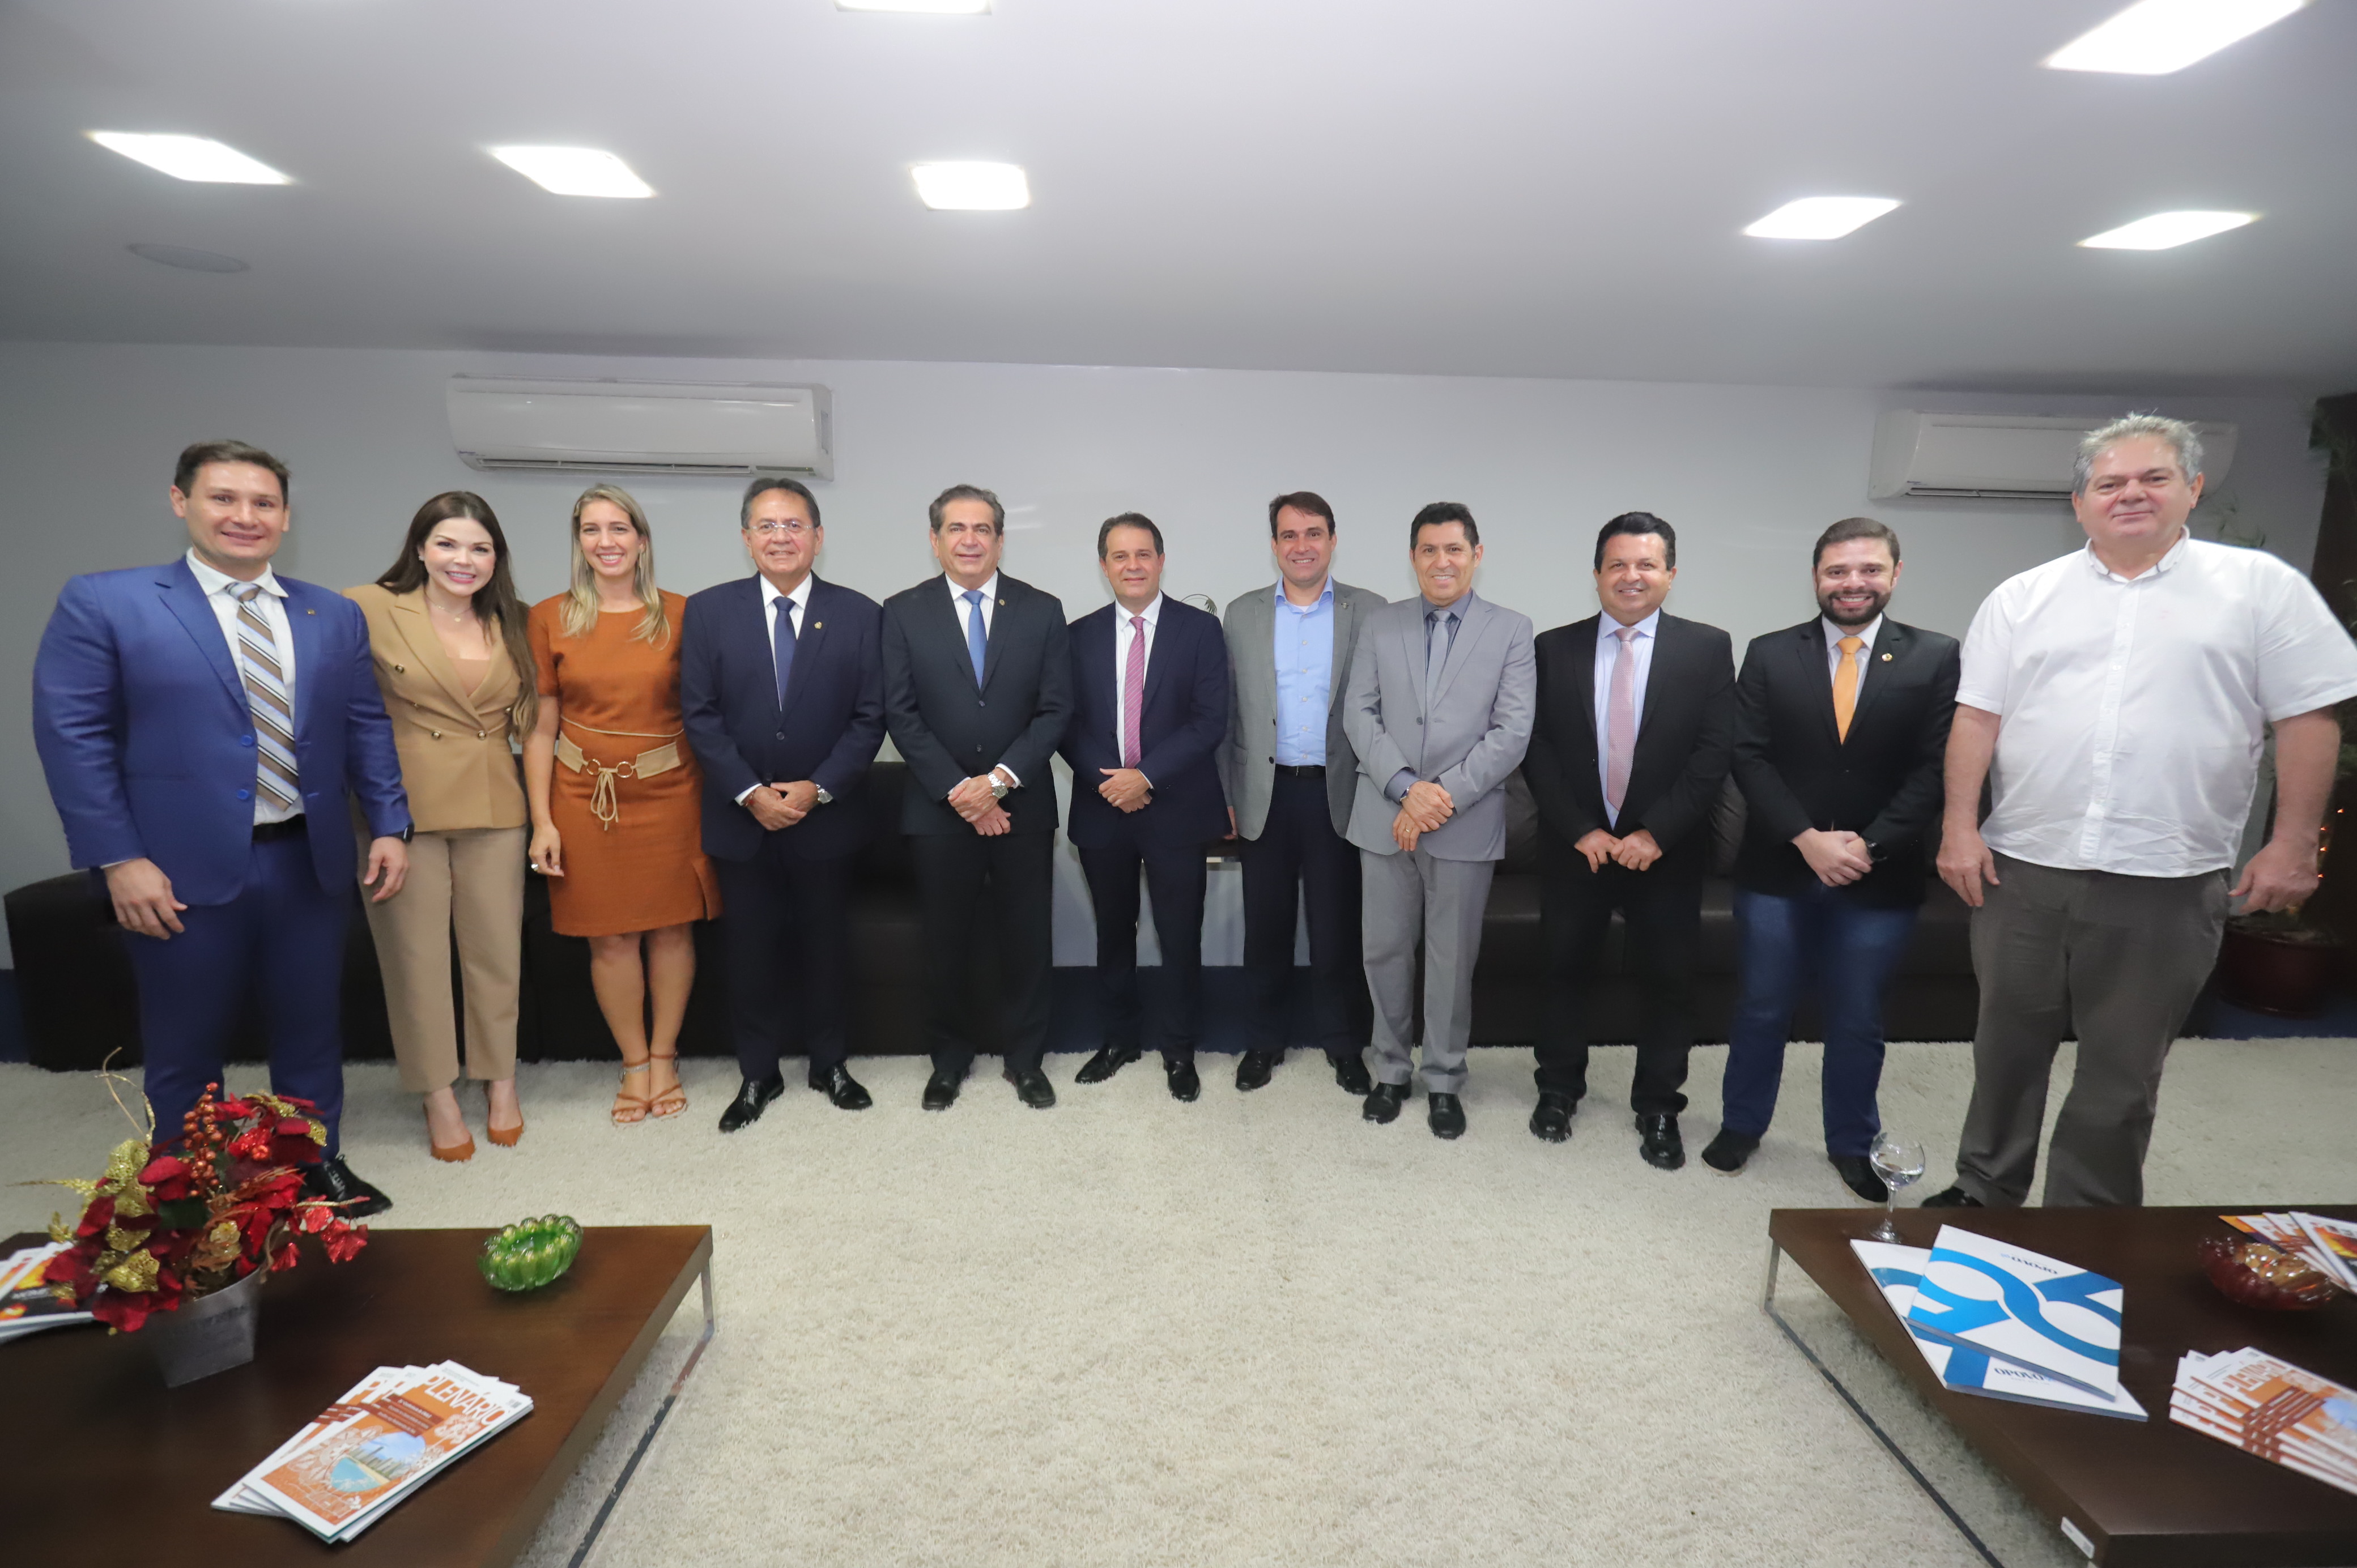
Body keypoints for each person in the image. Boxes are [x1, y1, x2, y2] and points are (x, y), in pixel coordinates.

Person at [1922, 415, 2357, 1210]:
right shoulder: (2024, 597)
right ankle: (1985, 1189)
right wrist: (1959, 827)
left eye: (2152, 478)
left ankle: (2086, 1219)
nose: (2130, 494)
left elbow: (2308, 719)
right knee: (2005, 1049)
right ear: (2079, 502)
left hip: (2168, 876)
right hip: (2025, 868)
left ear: (2192, 488)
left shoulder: (2260, 588)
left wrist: (2294, 842)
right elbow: (1976, 718)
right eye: (2109, 482)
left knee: (2122, 1071)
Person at [33, 440, 409, 1216]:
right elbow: (72, 736)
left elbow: (365, 724)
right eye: (224, 498)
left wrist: (388, 823)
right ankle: (189, 1189)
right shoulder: (107, 602)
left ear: (286, 516)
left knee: (311, 1029)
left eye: (263, 502)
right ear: (182, 502)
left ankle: (314, 1167)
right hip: (173, 869)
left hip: (307, 857)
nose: (245, 515)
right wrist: (118, 858)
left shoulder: (330, 613)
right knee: (184, 1042)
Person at [1703, 518, 1959, 1199]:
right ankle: (1740, 1124)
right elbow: (1747, 755)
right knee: (1761, 1006)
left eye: (1868, 569)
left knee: (1856, 1015)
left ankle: (1850, 1141)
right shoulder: (1768, 653)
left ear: (1894, 574)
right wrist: (1806, 837)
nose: (1852, 583)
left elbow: (1935, 766)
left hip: (1878, 874)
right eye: (1837, 571)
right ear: (1815, 577)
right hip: (1779, 867)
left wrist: (1867, 843)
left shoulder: (1935, 656)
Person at [1522, 513, 1734, 1169]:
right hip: (1576, 846)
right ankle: (1558, 1089)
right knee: (1561, 971)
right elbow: (1538, 747)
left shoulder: (1706, 648)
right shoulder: (1552, 647)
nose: (1630, 576)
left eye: (1645, 564)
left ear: (1669, 574)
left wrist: (1655, 832)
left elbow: (1712, 752)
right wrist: (1579, 828)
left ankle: (1658, 1106)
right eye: (1616, 564)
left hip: (1664, 851)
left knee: (1668, 982)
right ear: (1596, 574)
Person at [680, 477, 885, 1134]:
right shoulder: (708, 611)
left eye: (793, 525)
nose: (780, 537)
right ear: (746, 538)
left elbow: (870, 716)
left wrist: (815, 787)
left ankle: (830, 1064)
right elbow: (699, 714)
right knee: (749, 952)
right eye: (766, 525)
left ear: (818, 537)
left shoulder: (860, 614)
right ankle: (757, 1072)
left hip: (825, 816)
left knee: (827, 948)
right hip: (740, 819)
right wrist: (750, 791)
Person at [346, 492, 536, 1160]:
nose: (464, 559)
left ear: (496, 558)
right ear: (420, 549)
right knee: (416, 959)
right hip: (401, 811)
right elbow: (348, 712)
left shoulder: (516, 617)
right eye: (448, 544)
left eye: (480, 548)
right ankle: (437, 1093)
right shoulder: (367, 607)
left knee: (496, 954)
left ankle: (501, 1080)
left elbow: (535, 716)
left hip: (495, 802)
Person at [525, 484, 720, 1126]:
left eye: (619, 528)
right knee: (609, 938)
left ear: (641, 540)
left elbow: (708, 713)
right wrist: (542, 820)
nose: (606, 542)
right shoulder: (549, 617)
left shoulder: (684, 614)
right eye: (591, 530)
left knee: (671, 929)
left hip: (670, 794)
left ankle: (664, 1056)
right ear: (578, 541)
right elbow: (541, 727)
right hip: (582, 798)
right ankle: (634, 1063)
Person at [1342, 502, 1534, 1139]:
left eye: (1454, 549)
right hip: (1384, 815)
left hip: (1463, 821)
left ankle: (1446, 1079)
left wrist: (1436, 798)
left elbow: (1511, 732)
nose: (1441, 561)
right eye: (1428, 549)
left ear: (1476, 555)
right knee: (1384, 951)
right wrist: (1404, 789)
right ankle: (1391, 1071)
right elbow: (1359, 713)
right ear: (1413, 557)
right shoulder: (1381, 623)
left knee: (1452, 961)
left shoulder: (1511, 630)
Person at [881, 484, 1073, 1111]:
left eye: (983, 528)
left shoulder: (1042, 610)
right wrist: (959, 791)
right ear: (935, 539)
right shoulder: (901, 612)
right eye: (957, 528)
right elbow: (900, 713)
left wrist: (996, 783)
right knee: (944, 944)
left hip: (1021, 805)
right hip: (937, 811)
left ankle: (1026, 1060)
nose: (970, 540)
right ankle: (949, 1060)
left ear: (999, 539)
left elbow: (1055, 710)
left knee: (1028, 940)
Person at [1218, 492, 1384, 1096]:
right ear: (1273, 546)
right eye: (1288, 535)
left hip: (1339, 792)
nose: (1301, 545)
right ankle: (1264, 1042)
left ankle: (1344, 1044)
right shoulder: (1242, 613)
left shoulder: (1372, 611)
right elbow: (1227, 713)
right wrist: (1224, 793)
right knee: (1265, 930)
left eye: (1313, 533)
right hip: (1264, 793)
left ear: (1332, 541)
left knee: (1337, 930)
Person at [1061, 514, 1229, 1102]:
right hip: (1102, 806)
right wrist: (1109, 782)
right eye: (1119, 555)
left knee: (1180, 935)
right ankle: (1119, 1039)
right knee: (1114, 933)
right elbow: (1064, 721)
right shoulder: (1076, 635)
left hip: (1176, 807)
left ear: (1160, 560)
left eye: (1142, 554)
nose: (1132, 565)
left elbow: (1210, 720)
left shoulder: (1200, 630)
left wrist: (1146, 777)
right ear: (1104, 565)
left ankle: (1179, 1049)